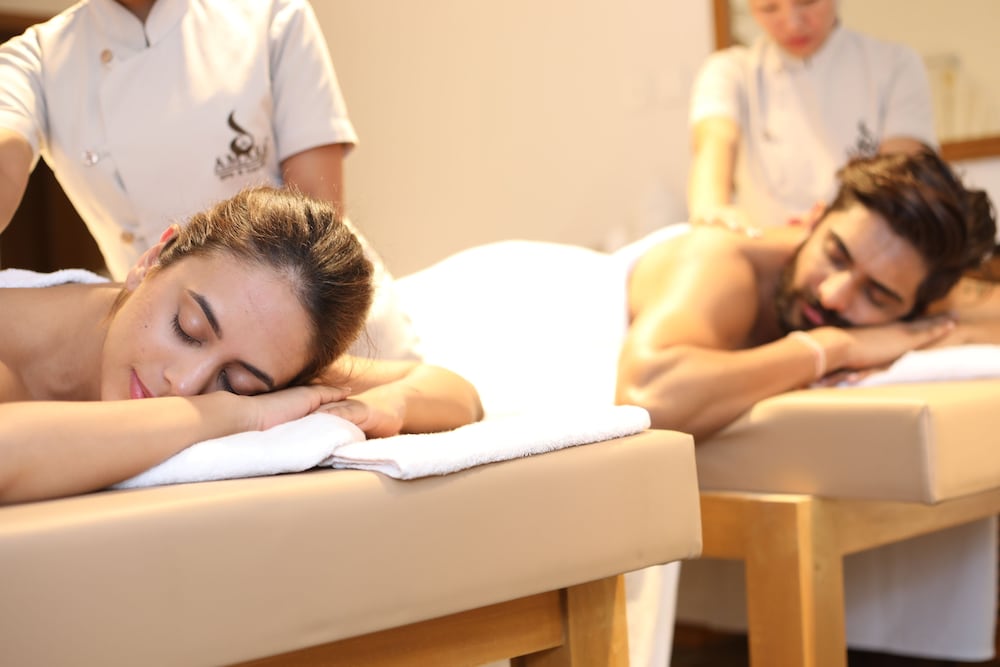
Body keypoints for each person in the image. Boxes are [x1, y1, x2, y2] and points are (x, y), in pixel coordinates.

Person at [0, 186, 483, 505]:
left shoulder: (262, 350)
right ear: (153, 259)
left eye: (235, 382)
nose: (185, 385)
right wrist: (236, 414)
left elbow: (450, 390)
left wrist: (373, 410)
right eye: (187, 328)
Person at [0, 0, 417, 359]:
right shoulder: (37, 59)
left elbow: (320, 216)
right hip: (174, 347)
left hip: (319, 323)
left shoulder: (270, 14)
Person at [620, 148, 998, 440]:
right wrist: (831, 348)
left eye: (877, 295)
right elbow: (648, 398)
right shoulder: (720, 260)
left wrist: (949, 334)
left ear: (915, 307)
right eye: (835, 256)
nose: (833, 295)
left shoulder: (916, 296)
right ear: (813, 220)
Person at [687, 0, 937, 232]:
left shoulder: (895, 65)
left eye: (807, 1)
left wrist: (837, 228)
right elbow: (715, 141)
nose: (792, 24)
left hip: (862, 242)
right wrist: (713, 213)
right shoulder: (730, 72)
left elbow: (901, 172)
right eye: (769, 8)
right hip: (765, 244)